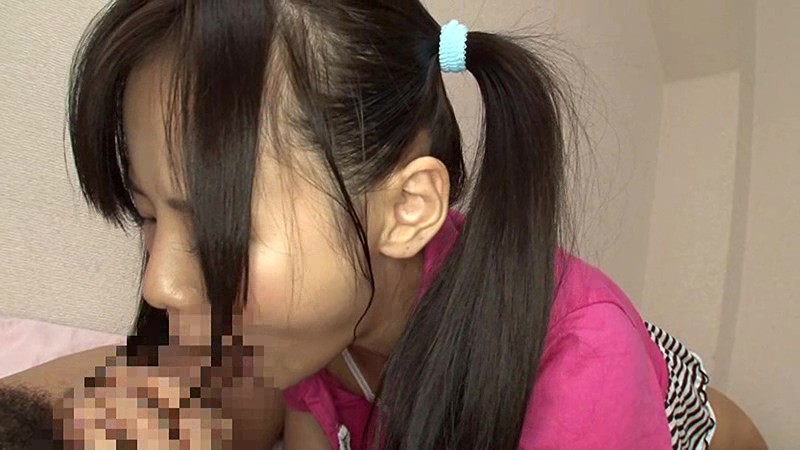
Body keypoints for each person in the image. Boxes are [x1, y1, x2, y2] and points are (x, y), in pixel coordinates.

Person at [0, 1, 768, 449]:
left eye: (211, 230)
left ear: (407, 210)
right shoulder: (308, 329)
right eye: (145, 217)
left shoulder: (576, 378)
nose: (159, 283)